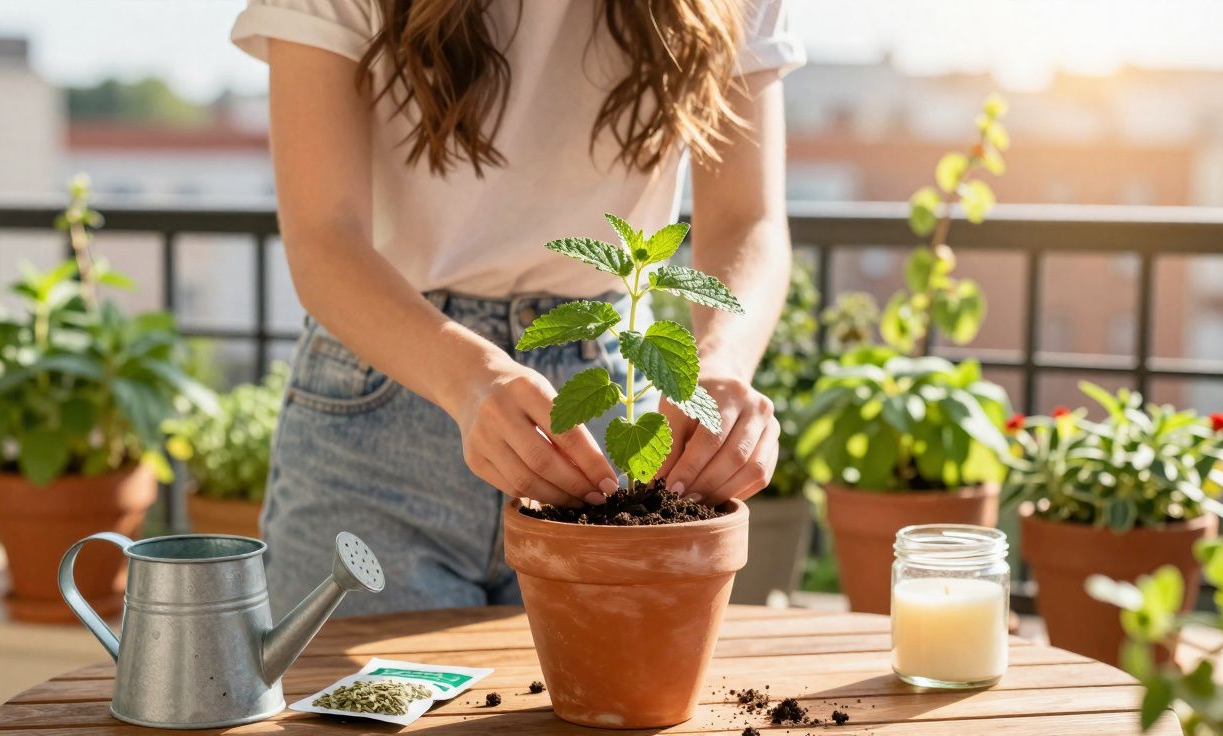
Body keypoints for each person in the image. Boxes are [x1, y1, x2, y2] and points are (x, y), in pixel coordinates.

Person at [231, 0, 801, 616]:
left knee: (614, 704)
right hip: (386, 398)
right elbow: (323, 239)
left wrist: (718, 369)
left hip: (605, 402)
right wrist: (471, 378)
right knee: (350, 710)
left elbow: (748, 218)